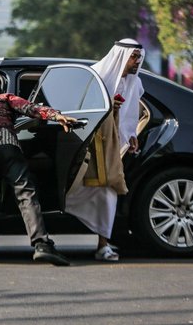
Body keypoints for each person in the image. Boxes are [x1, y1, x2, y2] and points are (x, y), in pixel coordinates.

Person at [0, 74, 77, 265]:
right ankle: (41, 244)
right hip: (6, 147)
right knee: (26, 192)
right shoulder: (5, 98)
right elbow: (31, 108)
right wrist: (56, 115)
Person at [65, 38, 145, 261]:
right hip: (84, 145)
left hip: (109, 147)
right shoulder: (94, 77)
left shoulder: (134, 83)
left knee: (108, 190)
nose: (138, 61)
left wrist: (131, 135)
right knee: (69, 189)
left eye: (140, 57)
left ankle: (103, 244)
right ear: (121, 56)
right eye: (134, 57)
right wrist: (107, 103)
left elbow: (132, 111)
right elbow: (78, 106)